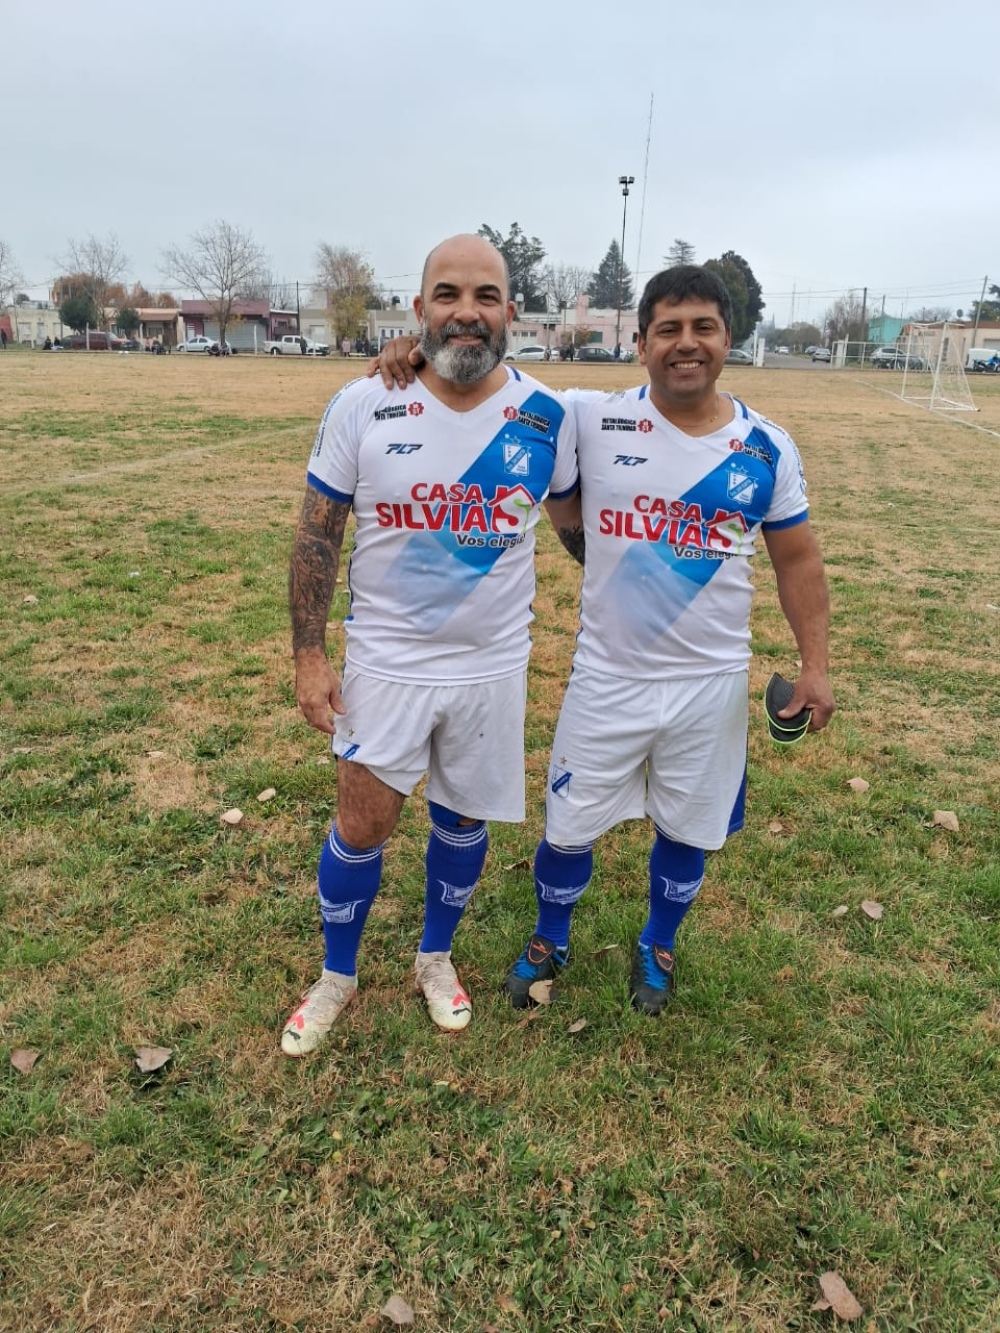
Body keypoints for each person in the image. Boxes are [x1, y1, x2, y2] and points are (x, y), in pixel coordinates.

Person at [374, 263, 834, 1017]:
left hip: (709, 684)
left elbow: (799, 559)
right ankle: (551, 934)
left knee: (691, 828)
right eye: (668, 330)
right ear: (643, 344)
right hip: (606, 676)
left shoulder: (768, 448)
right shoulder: (589, 416)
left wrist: (814, 665)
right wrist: (415, 348)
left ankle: (658, 943)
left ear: (729, 338)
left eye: (703, 328)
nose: (686, 344)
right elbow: (485, 370)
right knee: (568, 827)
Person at [281, 234, 578, 1057]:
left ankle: (434, 957)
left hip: (491, 666)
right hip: (387, 664)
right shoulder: (363, 402)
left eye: (487, 296)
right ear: (419, 311)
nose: (467, 311)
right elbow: (316, 535)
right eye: (447, 294)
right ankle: (338, 973)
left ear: (512, 313)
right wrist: (309, 655)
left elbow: (584, 527)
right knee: (362, 823)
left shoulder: (550, 416)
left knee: (462, 817)